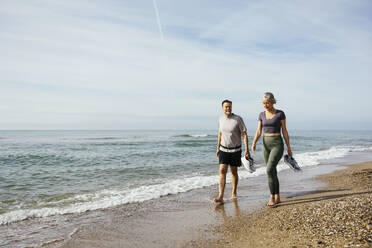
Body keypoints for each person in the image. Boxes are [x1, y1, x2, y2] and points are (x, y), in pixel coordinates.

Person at [251, 92, 293, 207]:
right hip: (265, 145)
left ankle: (272, 197)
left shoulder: (280, 114)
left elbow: (284, 131)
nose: (265, 105)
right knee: (272, 171)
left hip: (277, 144)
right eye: (263, 103)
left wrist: (289, 147)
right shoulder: (261, 114)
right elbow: (259, 131)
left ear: (272, 101)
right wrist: (254, 142)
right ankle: (277, 196)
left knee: (269, 169)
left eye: (267, 103)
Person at [214, 99, 250, 203]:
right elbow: (220, 134)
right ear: (222, 108)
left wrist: (247, 150)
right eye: (226, 107)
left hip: (235, 150)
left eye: (229, 106)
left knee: (234, 172)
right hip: (223, 149)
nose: (228, 108)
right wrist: (217, 148)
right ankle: (220, 196)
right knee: (222, 170)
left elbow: (244, 134)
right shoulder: (220, 119)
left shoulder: (238, 119)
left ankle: (234, 193)